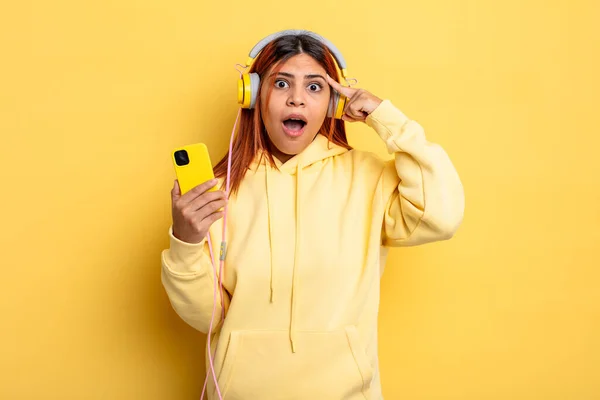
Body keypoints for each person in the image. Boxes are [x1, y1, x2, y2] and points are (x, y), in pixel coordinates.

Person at [161, 30, 464, 400]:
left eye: (315, 87)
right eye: (282, 83)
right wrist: (185, 243)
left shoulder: (367, 178)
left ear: (334, 103)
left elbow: (442, 216)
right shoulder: (219, 189)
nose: (297, 99)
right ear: (254, 96)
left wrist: (386, 119)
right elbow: (205, 315)